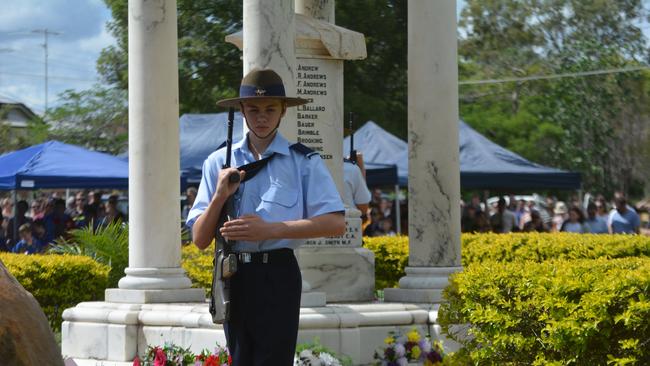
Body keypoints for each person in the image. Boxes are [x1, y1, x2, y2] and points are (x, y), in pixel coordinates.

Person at [187, 69, 345, 365]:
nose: (262, 116)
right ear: (242, 111)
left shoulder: (303, 161)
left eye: (270, 108)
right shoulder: (218, 162)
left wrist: (270, 230)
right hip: (233, 274)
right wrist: (220, 194)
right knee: (242, 359)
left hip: (278, 273)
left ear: (283, 110)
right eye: (254, 109)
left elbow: (335, 222)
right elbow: (199, 239)